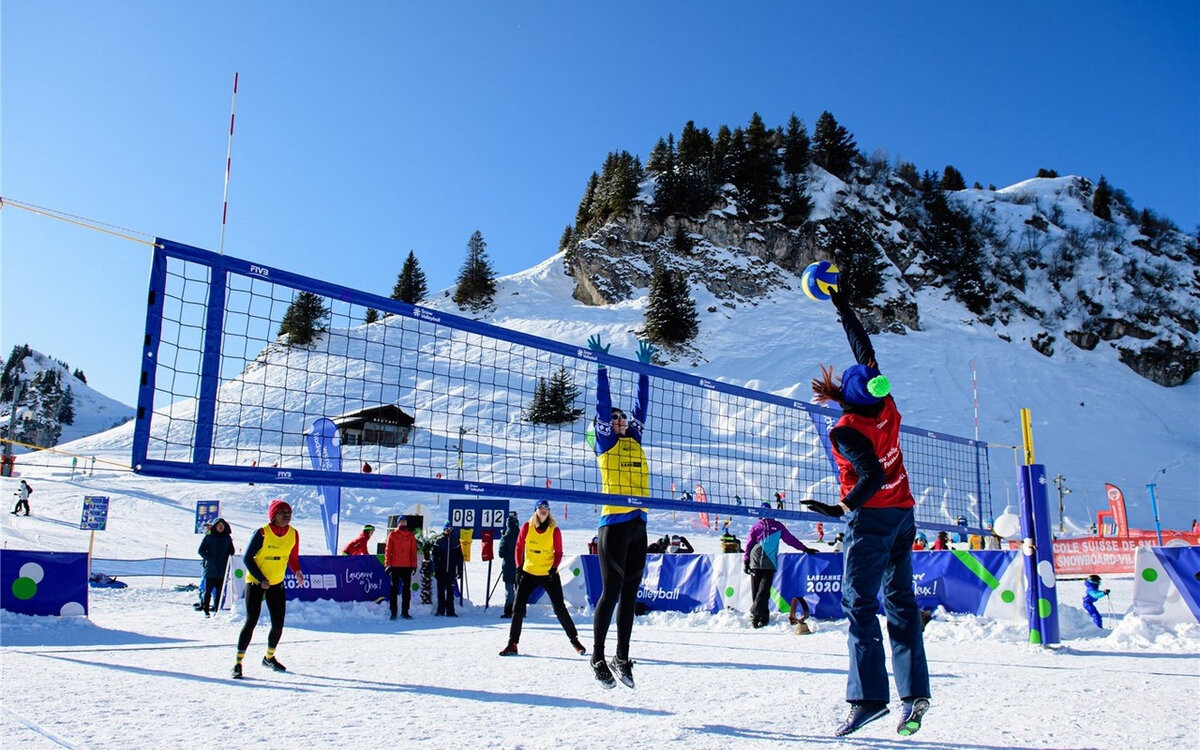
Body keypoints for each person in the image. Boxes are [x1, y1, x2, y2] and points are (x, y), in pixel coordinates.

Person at [801, 278, 931, 738]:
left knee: (858, 603)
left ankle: (869, 700)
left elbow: (871, 476)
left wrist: (839, 508)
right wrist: (843, 307)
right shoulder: (886, 403)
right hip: (903, 513)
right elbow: (865, 350)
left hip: (872, 517)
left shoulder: (847, 430)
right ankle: (915, 693)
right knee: (901, 601)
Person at [588, 333, 654, 689]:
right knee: (611, 593)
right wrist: (602, 368)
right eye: (615, 419)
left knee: (630, 596)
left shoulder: (634, 439)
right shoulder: (606, 443)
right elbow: (603, 405)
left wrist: (643, 370)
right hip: (613, 524)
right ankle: (597, 657)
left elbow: (642, 405)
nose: (620, 420)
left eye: (622, 419)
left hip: (639, 525)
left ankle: (622, 657)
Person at [499, 499, 586, 657]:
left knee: (559, 608)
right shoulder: (527, 526)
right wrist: (519, 568)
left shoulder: (554, 530)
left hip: (548, 574)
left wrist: (554, 568)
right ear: (536, 510)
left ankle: (575, 641)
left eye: (546, 508)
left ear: (549, 511)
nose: (543, 510)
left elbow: (558, 553)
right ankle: (512, 643)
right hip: (528, 572)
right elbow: (519, 548)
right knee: (517, 608)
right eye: (540, 508)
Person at [233, 500, 305, 679]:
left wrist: (297, 572)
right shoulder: (262, 533)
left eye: (289, 512)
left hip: (276, 583)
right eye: (282, 512)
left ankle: (269, 657)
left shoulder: (293, 534)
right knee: (251, 621)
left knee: (278, 623)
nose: (287, 515)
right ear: (273, 515)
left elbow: (292, 557)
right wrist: (261, 579)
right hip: (256, 582)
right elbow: (247, 558)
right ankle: (238, 663)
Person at [743, 516, 816, 627]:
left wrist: (746, 561)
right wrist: (804, 548)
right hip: (767, 562)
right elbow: (790, 539)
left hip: (757, 561)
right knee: (763, 591)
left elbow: (749, 545)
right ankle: (763, 617)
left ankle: (755, 614)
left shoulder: (757, 527)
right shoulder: (776, 525)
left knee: (758, 591)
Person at [198, 518, 235, 617]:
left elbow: (232, 551)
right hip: (210, 569)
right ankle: (206, 610)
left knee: (220, 591)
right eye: (219, 525)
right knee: (208, 591)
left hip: (222, 569)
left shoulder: (227, 538)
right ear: (215, 526)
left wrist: (227, 560)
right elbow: (201, 550)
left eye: (222, 525)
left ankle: (217, 609)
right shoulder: (209, 537)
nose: (221, 527)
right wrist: (209, 559)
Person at [384, 518, 418, 620]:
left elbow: (413, 551)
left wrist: (414, 565)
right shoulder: (393, 534)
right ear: (398, 523)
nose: (403, 523)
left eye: (405, 521)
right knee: (393, 589)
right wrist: (388, 564)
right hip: (395, 566)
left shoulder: (410, 535)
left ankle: (405, 611)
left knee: (406, 590)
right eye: (402, 521)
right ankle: (393, 612)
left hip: (407, 566)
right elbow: (388, 550)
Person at [430, 521, 464, 616]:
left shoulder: (455, 541)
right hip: (441, 570)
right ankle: (440, 610)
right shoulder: (439, 541)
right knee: (440, 591)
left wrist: (460, 570)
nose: (448, 531)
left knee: (450, 592)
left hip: (451, 570)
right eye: (446, 529)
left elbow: (459, 557)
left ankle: (450, 611)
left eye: (450, 529)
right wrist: (435, 568)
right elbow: (434, 556)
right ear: (444, 530)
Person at [498, 511, 520, 618]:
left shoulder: (506, 537)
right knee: (519, 589)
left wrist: (502, 537)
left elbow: (501, 553)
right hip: (520, 565)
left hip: (508, 566)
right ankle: (521, 610)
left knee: (509, 590)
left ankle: (509, 610)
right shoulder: (521, 535)